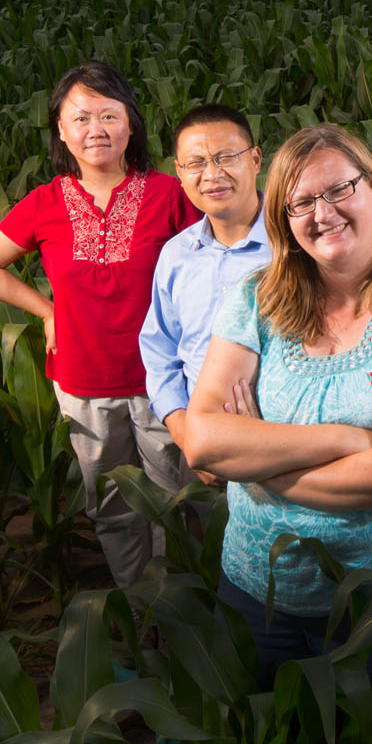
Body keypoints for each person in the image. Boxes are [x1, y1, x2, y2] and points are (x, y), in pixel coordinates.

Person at [168, 124, 372, 740]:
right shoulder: (258, 300)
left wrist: (260, 459)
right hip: (263, 585)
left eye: (340, 188)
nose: (323, 213)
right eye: (300, 203)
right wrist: (347, 440)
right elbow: (205, 441)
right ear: (283, 218)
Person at [0, 60, 200, 589]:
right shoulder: (44, 203)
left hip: (163, 382)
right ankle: (141, 612)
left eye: (109, 115)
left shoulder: (170, 194)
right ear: (61, 131)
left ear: (131, 124)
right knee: (112, 507)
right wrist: (48, 311)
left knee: (175, 504)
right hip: (82, 382)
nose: (97, 129)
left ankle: (183, 614)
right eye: (81, 118)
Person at [138, 104, 269, 524]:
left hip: (283, 447)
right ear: (179, 172)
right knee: (202, 566)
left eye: (226, 157)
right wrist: (186, 433)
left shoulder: (298, 244)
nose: (211, 174)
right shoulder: (177, 255)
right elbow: (159, 350)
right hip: (198, 456)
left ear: (255, 159)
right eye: (196, 162)